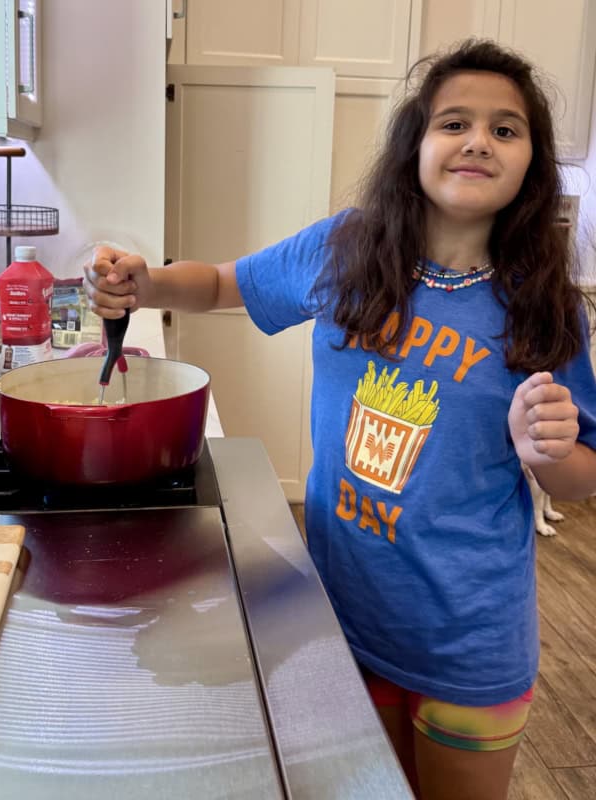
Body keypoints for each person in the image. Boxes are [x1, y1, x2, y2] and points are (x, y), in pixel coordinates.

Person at [84, 39, 596, 800]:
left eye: (506, 129)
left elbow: (581, 477)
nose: (478, 141)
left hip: (469, 642)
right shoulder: (345, 250)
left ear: (531, 163)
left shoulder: (542, 302)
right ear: (415, 144)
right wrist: (145, 282)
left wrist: (546, 448)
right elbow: (224, 284)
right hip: (337, 618)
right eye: (454, 122)